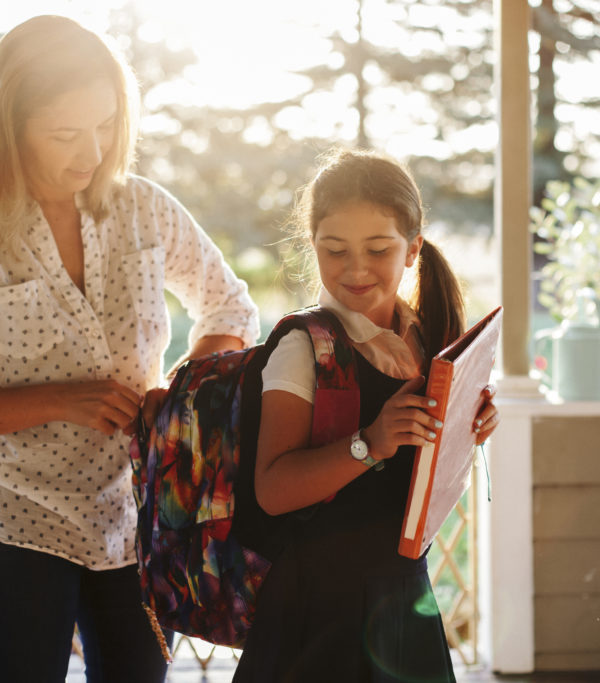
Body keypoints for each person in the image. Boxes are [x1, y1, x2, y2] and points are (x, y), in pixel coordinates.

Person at [0, 15, 259, 683]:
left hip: (138, 511)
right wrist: (58, 400)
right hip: (13, 515)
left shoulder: (146, 209)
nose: (91, 151)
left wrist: (174, 395)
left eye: (106, 124)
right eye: (64, 133)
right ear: (10, 129)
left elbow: (230, 308)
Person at [233, 148, 499, 683]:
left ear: (412, 250)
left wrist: (474, 419)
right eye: (335, 250)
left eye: (378, 249)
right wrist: (371, 442)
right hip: (317, 613)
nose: (355, 269)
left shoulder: (427, 337)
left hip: (403, 594)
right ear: (314, 247)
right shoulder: (304, 347)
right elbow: (273, 488)